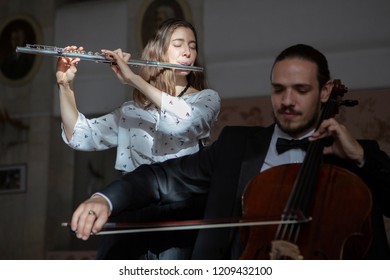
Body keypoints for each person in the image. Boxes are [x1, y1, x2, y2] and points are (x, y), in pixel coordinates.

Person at [70, 44, 390, 259]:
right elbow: (162, 179)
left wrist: (361, 157)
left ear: (326, 92)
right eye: (278, 89)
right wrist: (105, 199)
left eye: (301, 90)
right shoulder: (237, 145)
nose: (287, 101)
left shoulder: (359, 156)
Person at [56, 18, 220, 259]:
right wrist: (65, 86)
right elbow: (81, 135)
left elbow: (181, 124)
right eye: (178, 44)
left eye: (192, 45)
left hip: (179, 218)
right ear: (159, 52)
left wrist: (133, 78)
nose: (187, 51)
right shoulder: (132, 110)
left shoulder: (206, 100)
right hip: (132, 213)